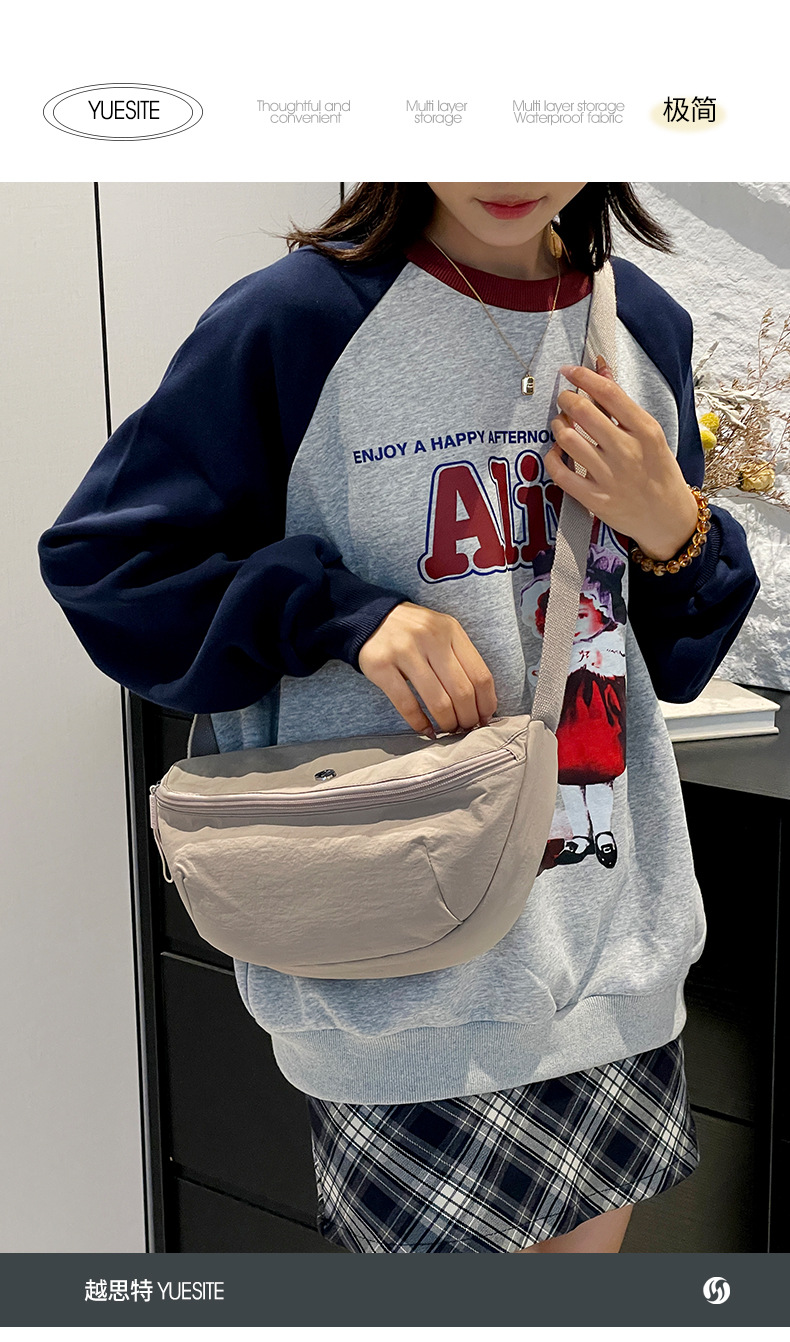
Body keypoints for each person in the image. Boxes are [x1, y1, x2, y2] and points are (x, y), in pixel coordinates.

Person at [37, 182, 760, 1254]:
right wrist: (344, 616)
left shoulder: (640, 323)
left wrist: (673, 522)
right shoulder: (298, 321)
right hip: (399, 972)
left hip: (608, 960)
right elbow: (108, 567)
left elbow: (679, 652)